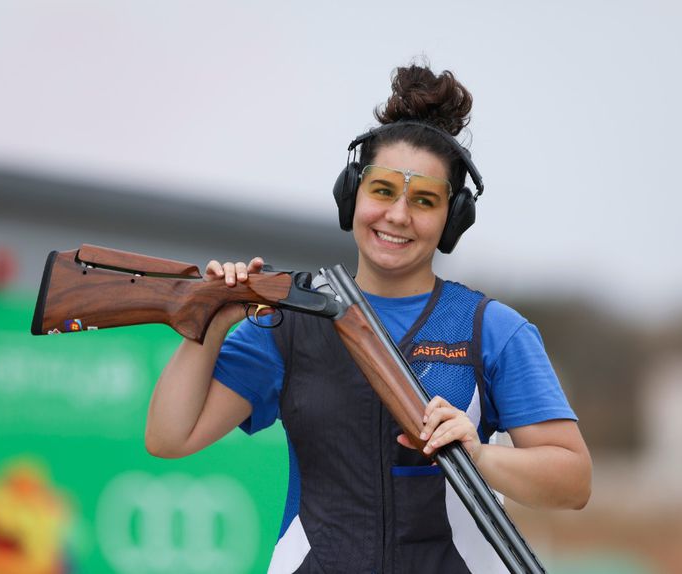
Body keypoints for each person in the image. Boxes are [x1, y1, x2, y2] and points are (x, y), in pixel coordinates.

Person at [145, 63, 592, 573]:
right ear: (351, 195)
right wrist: (211, 318)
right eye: (382, 190)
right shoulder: (288, 321)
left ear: (453, 219)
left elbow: (573, 482)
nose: (398, 215)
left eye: (424, 200)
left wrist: (478, 457)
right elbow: (168, 437)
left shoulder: (491, 329)